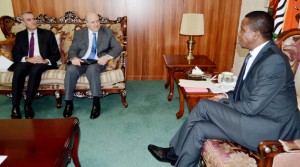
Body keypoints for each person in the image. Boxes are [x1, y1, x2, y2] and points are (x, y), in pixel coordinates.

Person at [148, 11, 300, 167]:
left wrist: (221, 102)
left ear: (255, 34)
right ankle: (180, 160)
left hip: (269, 130)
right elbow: (244, 91)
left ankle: (173, 153)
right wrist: (226, 95)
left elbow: (252, 106)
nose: (238, 33)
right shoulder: (257, 55)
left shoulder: (273, 61)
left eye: (242, 29)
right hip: (255, 120)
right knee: (200, 128)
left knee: (204, 106)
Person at [63, 12, 122, 119]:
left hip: (97, 62)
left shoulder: (107, 32)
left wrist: (106, 57)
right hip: (82, 61)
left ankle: (96, 103)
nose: (96, 24)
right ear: (87, 23)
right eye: (93, 22)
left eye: (98, 21)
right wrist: (74, 58)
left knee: (92, 69)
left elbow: (118, 48)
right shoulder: (79, 33)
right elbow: (72, 49)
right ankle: (68, 103)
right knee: (71, 70)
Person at [9, 12, 60, 119]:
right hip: (27, 61)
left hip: (42, 62)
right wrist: (27, 59)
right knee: (18, 69)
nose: (33, 21)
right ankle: (15, 106)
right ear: (23, 23)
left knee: (36, 69)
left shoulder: (47, 34)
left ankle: (28, 105)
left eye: (34, 19)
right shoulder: (20, 35)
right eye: (29, 20)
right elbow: (16, 54)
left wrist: (45, 60)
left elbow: (56, 54)